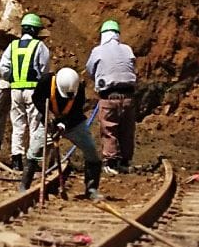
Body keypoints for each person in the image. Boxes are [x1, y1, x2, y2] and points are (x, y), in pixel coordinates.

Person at [0, 13, 50, 187]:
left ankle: (17, 160)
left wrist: (12, 77)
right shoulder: (39, 46)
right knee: (35, 125)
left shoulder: (13, 46)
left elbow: (3, 67)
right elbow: (44, 70)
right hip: (33, 90)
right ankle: (31, 161)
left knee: (18, 125)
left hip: (15, 90)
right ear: (35, 30)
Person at [84, 19, 137, 175]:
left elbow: (89, 69)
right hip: (128, 97)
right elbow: (132, 66)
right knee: (127, 130)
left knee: (109, 129)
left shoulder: (98, 51)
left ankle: (111, 162)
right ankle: (126, 162)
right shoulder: (127, 49)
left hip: (108, 96)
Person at [43, 67, 103, 200]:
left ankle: (91, 188)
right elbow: (38, 101)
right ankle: (27, 184)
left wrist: (64, 123)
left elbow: (76, 111)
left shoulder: (79, 89)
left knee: (91, 151)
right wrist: (47, 121)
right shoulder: (46, 83)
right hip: (49, 121)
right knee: (36, 151)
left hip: (74, 123)